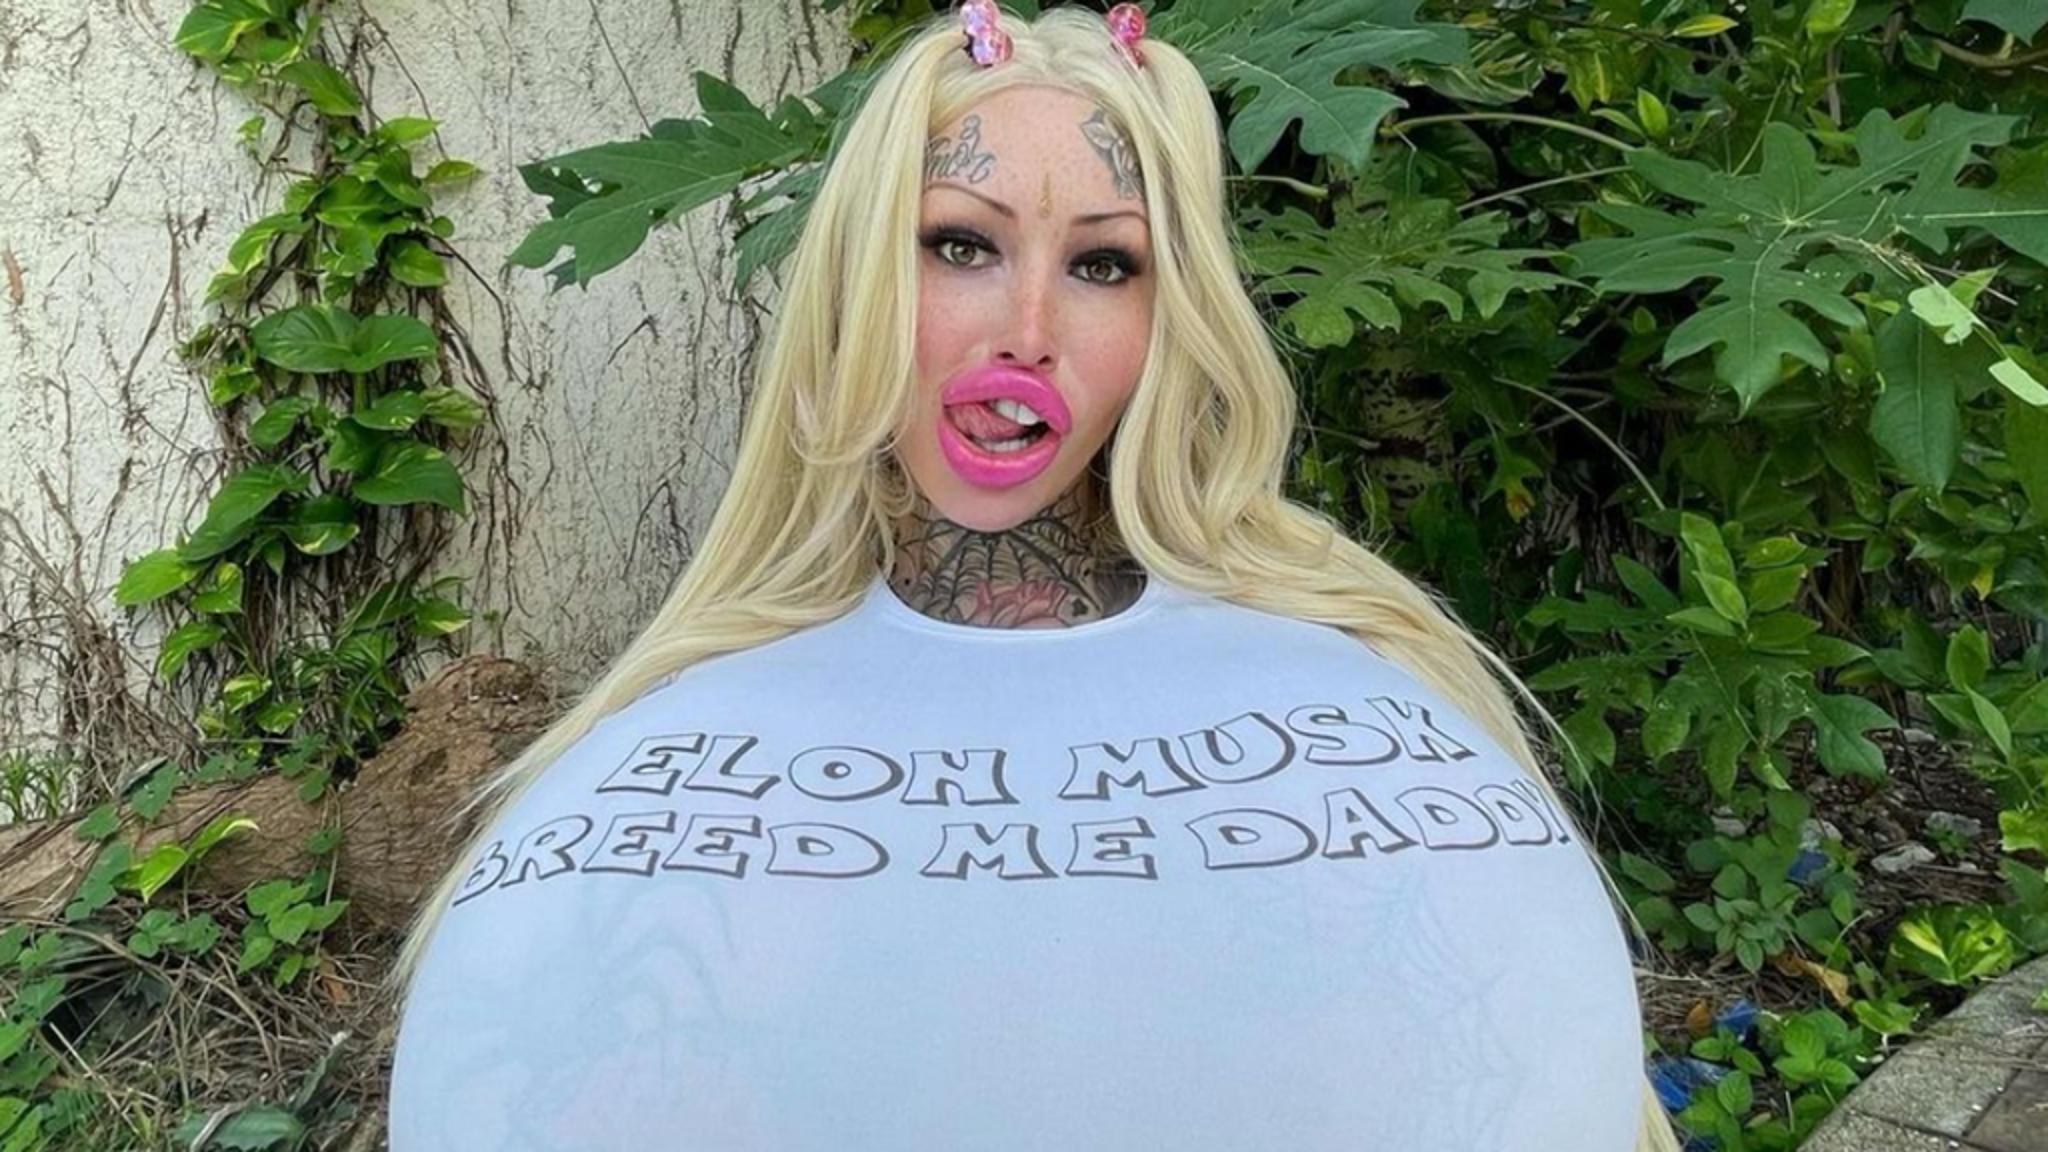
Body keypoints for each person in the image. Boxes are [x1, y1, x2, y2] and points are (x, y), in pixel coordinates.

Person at [386, 5, 1684, 1150]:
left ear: (1171, 317)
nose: (1029, 332)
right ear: (856, 274)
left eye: (1104, 265)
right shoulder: (690, 718)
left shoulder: (1363, 670)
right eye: (961, 245)